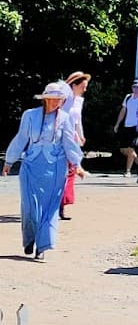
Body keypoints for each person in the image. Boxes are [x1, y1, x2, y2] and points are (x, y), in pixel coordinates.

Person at [3, 80, 84, 260]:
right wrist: (9, 160)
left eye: (60, 100)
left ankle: (43, 245)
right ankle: (30, 239)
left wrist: (77, 165)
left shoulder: (65, 118)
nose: (57, 103)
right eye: (53, 99)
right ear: (45, 99)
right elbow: (21, 138)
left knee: (50, 208)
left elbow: (69, 143)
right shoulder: (29, 116)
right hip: (31, 166)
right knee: (29, 206)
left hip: (54, 169)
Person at [60, 71, 90, 219]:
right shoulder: (63, 99)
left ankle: (62, 205)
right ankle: (55, 203)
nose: (85, 89)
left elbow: (78, 120)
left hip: (72, 136)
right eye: (83, 86)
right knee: (61, 170)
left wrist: (80, 134)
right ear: (74, 85)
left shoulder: (79, 101)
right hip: (60, 136)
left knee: (70, 170)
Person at [113, 79, 138, 176]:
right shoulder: (128, 97)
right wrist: (117, 124)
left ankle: (128, 171)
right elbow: (123, 110)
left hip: (137, 126)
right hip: (127, 125)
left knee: (131, 148)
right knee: (123, 149)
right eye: (134, 87)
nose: (136, 89)